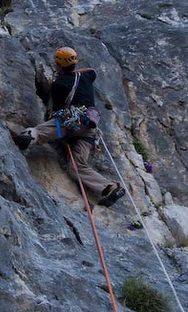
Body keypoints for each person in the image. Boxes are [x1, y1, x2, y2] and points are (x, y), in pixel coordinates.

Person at [13, 46, 125, 207]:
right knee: (76, 166)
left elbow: (57, 110)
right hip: (88, 129)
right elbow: (92, 70)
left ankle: (29, 137)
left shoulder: (60, 83)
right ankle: (109, 187)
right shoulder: (86, 76)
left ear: (58, 65)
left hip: (70, 122)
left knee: (46, 129)